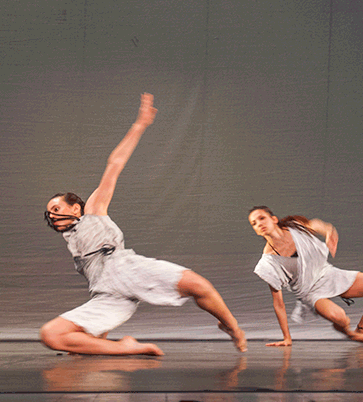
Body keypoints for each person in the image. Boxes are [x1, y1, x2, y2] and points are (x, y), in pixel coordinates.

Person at [40, 93, 247, 356]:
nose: (53, 216)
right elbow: (100, 275)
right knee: (50, 334)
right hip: (106, 294)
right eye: (50, 213)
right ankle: (126, 347)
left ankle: (232, 327)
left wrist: (139, 125)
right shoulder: (71, 237)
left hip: (128, 269)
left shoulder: (92, 211)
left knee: (200, 287)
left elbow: (114, 164)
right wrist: (94, 334)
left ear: (75, 207)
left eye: (57, 209)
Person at [248, 206, 363, 346]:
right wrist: (287, 338)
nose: (259, 223)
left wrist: (329, 232)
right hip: (310, 291)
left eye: (262, 218)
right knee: (341, 319)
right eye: (254, 223)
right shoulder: (268, 262)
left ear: (274, 219)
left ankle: (362, 329)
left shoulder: (296, 228)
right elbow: (278, 303)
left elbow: (316, 224)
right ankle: (349, 333)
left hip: (328, 273)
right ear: (255, 231)